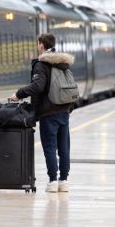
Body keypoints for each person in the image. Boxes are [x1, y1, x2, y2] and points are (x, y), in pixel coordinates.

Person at [9, 33, 74, 193]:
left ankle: (53, 181)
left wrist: (18, 94)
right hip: (64, 111)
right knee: (64, 148)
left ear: (41, 45)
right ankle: (63, 181)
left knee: (50, 147)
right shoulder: (63, 63)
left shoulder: (42, 64)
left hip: (48, 112)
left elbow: (37, 86)